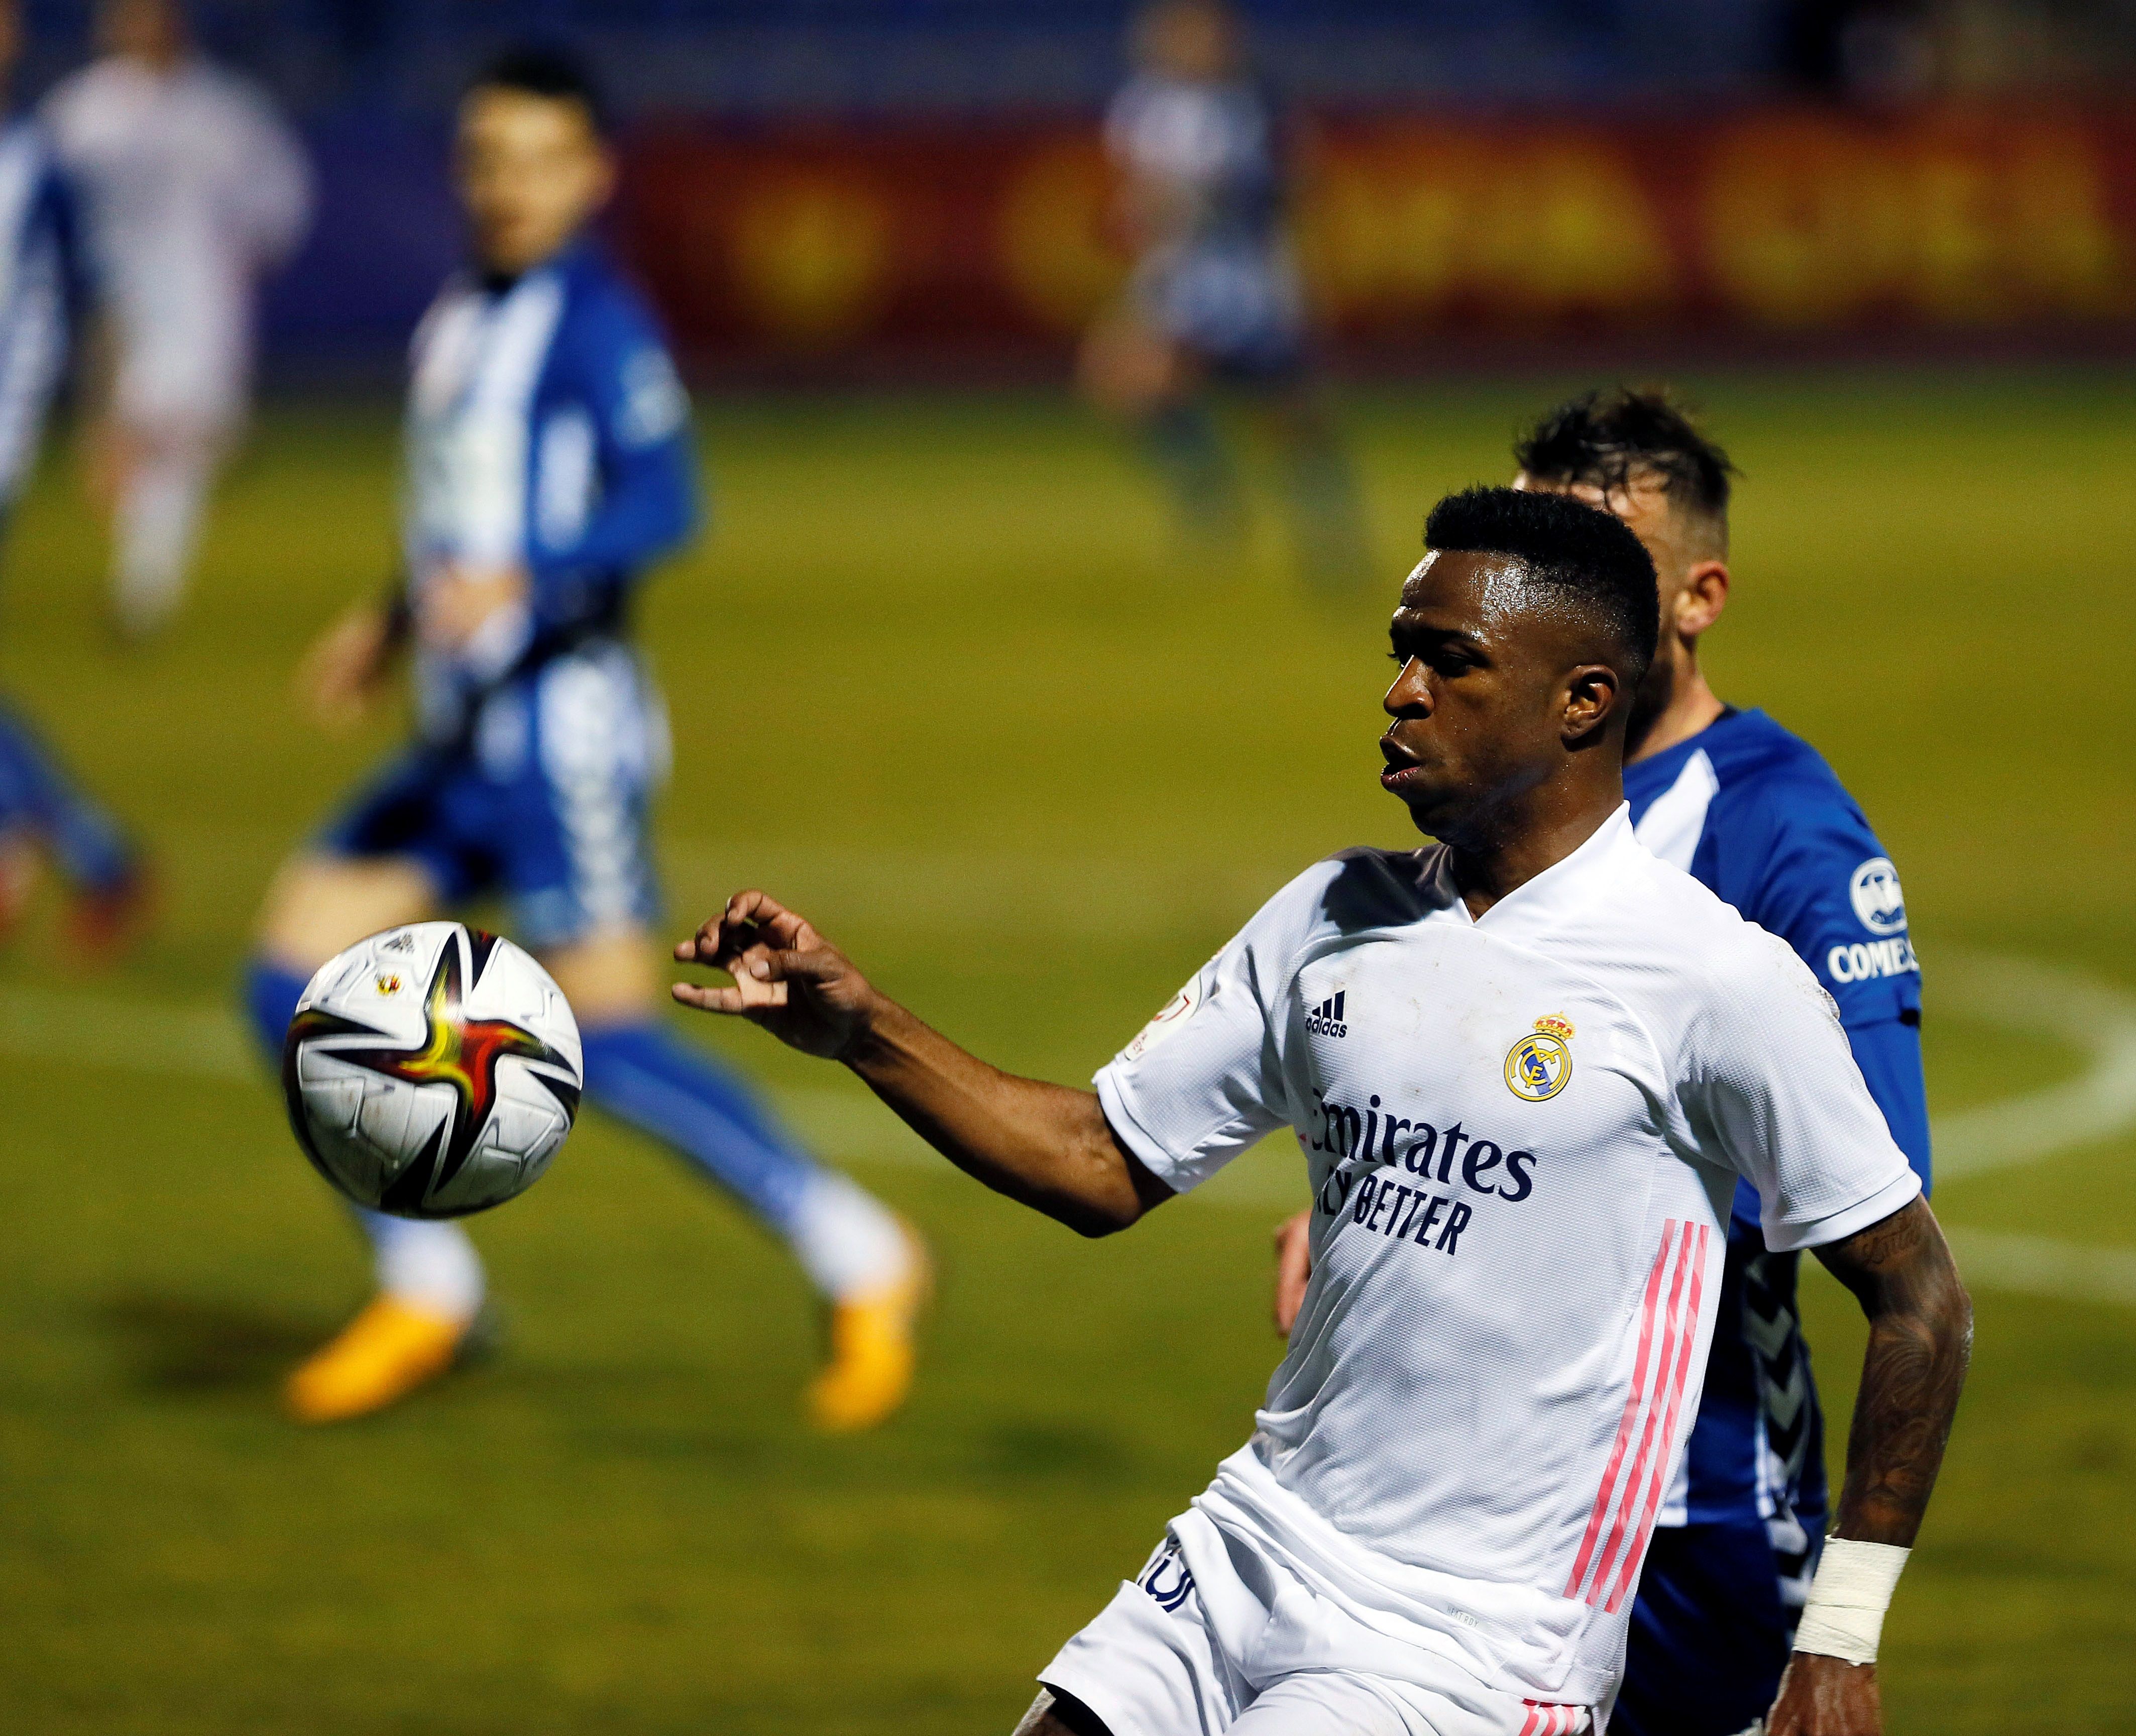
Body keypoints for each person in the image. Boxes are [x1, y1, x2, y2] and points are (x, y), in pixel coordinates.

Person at [674, 486, 1972, 1735]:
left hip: (1469, 1641)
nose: (1400, 692)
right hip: (1251, 1540)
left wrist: (1839, 1639)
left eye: (1449, 661)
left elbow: (1917, 1293)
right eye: (1400, 651)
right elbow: (1100, 1162)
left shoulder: (1711, 979)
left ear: (1583, 702)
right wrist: (863, 1032)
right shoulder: (1332, 914)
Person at [239, 48, 924, 1432]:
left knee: (598, 1035)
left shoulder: (596, 323)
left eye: (538, 160)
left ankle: (861, 1251)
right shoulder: (461, 318)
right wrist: (386, 619)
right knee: (292, 978)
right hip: (461, 741)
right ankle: (428, 1284)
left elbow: (667, 500)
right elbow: (454, 519)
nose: (507, 185)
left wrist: (532, 576)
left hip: (564, 750)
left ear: (591, 175)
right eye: (488, 157)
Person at [1267, 390, 1932, 1736]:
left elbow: (1876, 1190)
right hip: (1458, 1503)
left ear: (1692, 599)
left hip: (1689, 1515)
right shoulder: (1519, 790)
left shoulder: (1785, 839)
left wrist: (1846, 1630)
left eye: (1595, 561)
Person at [42, 0, 311, 637]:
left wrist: (237, 262)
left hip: (200, 312)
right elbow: (42, 211)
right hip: (111, 308)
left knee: (167, 447)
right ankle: (141, 583)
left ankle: (141, 595)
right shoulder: (81, 113)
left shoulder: (225, 111)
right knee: (140, 443)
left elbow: (282, 206)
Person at [1079, 0, 1367, 587]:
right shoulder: (1143, 106)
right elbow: (1142, 192)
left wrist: (1189, 207)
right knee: (1122, 380)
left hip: (1244, 284)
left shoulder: (1252, 107)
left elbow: (1279, 189)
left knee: (1292, 419)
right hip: (1178, 279)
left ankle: (1331, 543)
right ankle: (1211, 499)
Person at [0, 0, 145, 948]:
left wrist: (103, 422)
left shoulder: (33, 164)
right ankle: (57, 843)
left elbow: (91, 300)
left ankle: (86, 849)